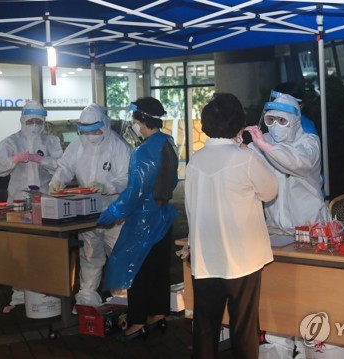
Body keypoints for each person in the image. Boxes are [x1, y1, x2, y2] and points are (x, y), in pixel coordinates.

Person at [185, 93, 278, 358]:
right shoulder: (244, 158)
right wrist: (247, 150)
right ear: (238, 123)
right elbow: (270, 191)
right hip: (242, 258)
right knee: (244, 327)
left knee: (204, 327)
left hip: (205, 257)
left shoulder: (195, 161)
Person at [96, 97, 178, 342]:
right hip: (163, 218)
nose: (132, 123)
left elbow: (135, 191)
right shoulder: (168, 142)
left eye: (134, 119)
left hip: (143, 220)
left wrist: (113, 213)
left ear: (142, 121)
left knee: (137, 271)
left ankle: (137, 321)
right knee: (159, 270)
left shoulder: (143, 152)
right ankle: (158, 314)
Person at [49, 103, 132, 307]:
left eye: (95, 130)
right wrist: (58, 179)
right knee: (90, 255)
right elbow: (65, 166)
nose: (91, 135)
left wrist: (108, 186)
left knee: (118, 254)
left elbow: (127, 177)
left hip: (114, 212)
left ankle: (122, 298)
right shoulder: (79, 145)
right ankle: (87, 297)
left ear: (104, 125)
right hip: (87, 213)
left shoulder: (119, 146)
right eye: (86, 132)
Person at [0, 100, 63, 305]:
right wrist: (14, 160)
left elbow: (61, 165)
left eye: (38, 121)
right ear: (22, 119)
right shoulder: (10, 142)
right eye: (30, 120)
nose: (34, 125)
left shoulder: (51, 141)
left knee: (46, 245)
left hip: (45, 201)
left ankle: (46, 286)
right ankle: (20, 289)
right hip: (19, 202)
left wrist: (42, 160)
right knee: (19, 246)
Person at [245, 92, 328, 236]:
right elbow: (244, 158)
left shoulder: (309, 143)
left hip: (310, 229)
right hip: (275, 229)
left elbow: (296, 162)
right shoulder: (264, 140)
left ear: (295, 121)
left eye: (282, 121)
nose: (275, 125)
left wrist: (265, 147)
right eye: (271, 120)